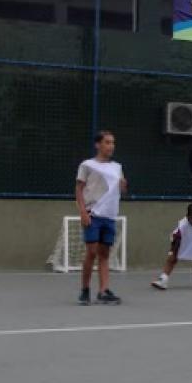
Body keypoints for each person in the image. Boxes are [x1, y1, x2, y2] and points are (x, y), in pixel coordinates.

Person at [76, 130, 127, 306]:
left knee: (104, 255)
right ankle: (84, 289)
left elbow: (121, 190)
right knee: (91, 252)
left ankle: (103, 291)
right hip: (93, 213)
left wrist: (123, 185)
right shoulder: (87, 165)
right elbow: (79, 189)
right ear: (98, 144)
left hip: (109, 215)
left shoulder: (117, 167)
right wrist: (83, 211)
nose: (111, 146)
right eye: (107, 142)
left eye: (112, 143)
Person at [152, 203, 192, 290]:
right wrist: (173, 251)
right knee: (172, 258)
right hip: (181, 241)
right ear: (187, 217)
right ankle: (163, 280)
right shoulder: (182, 226)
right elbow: (175, 239)